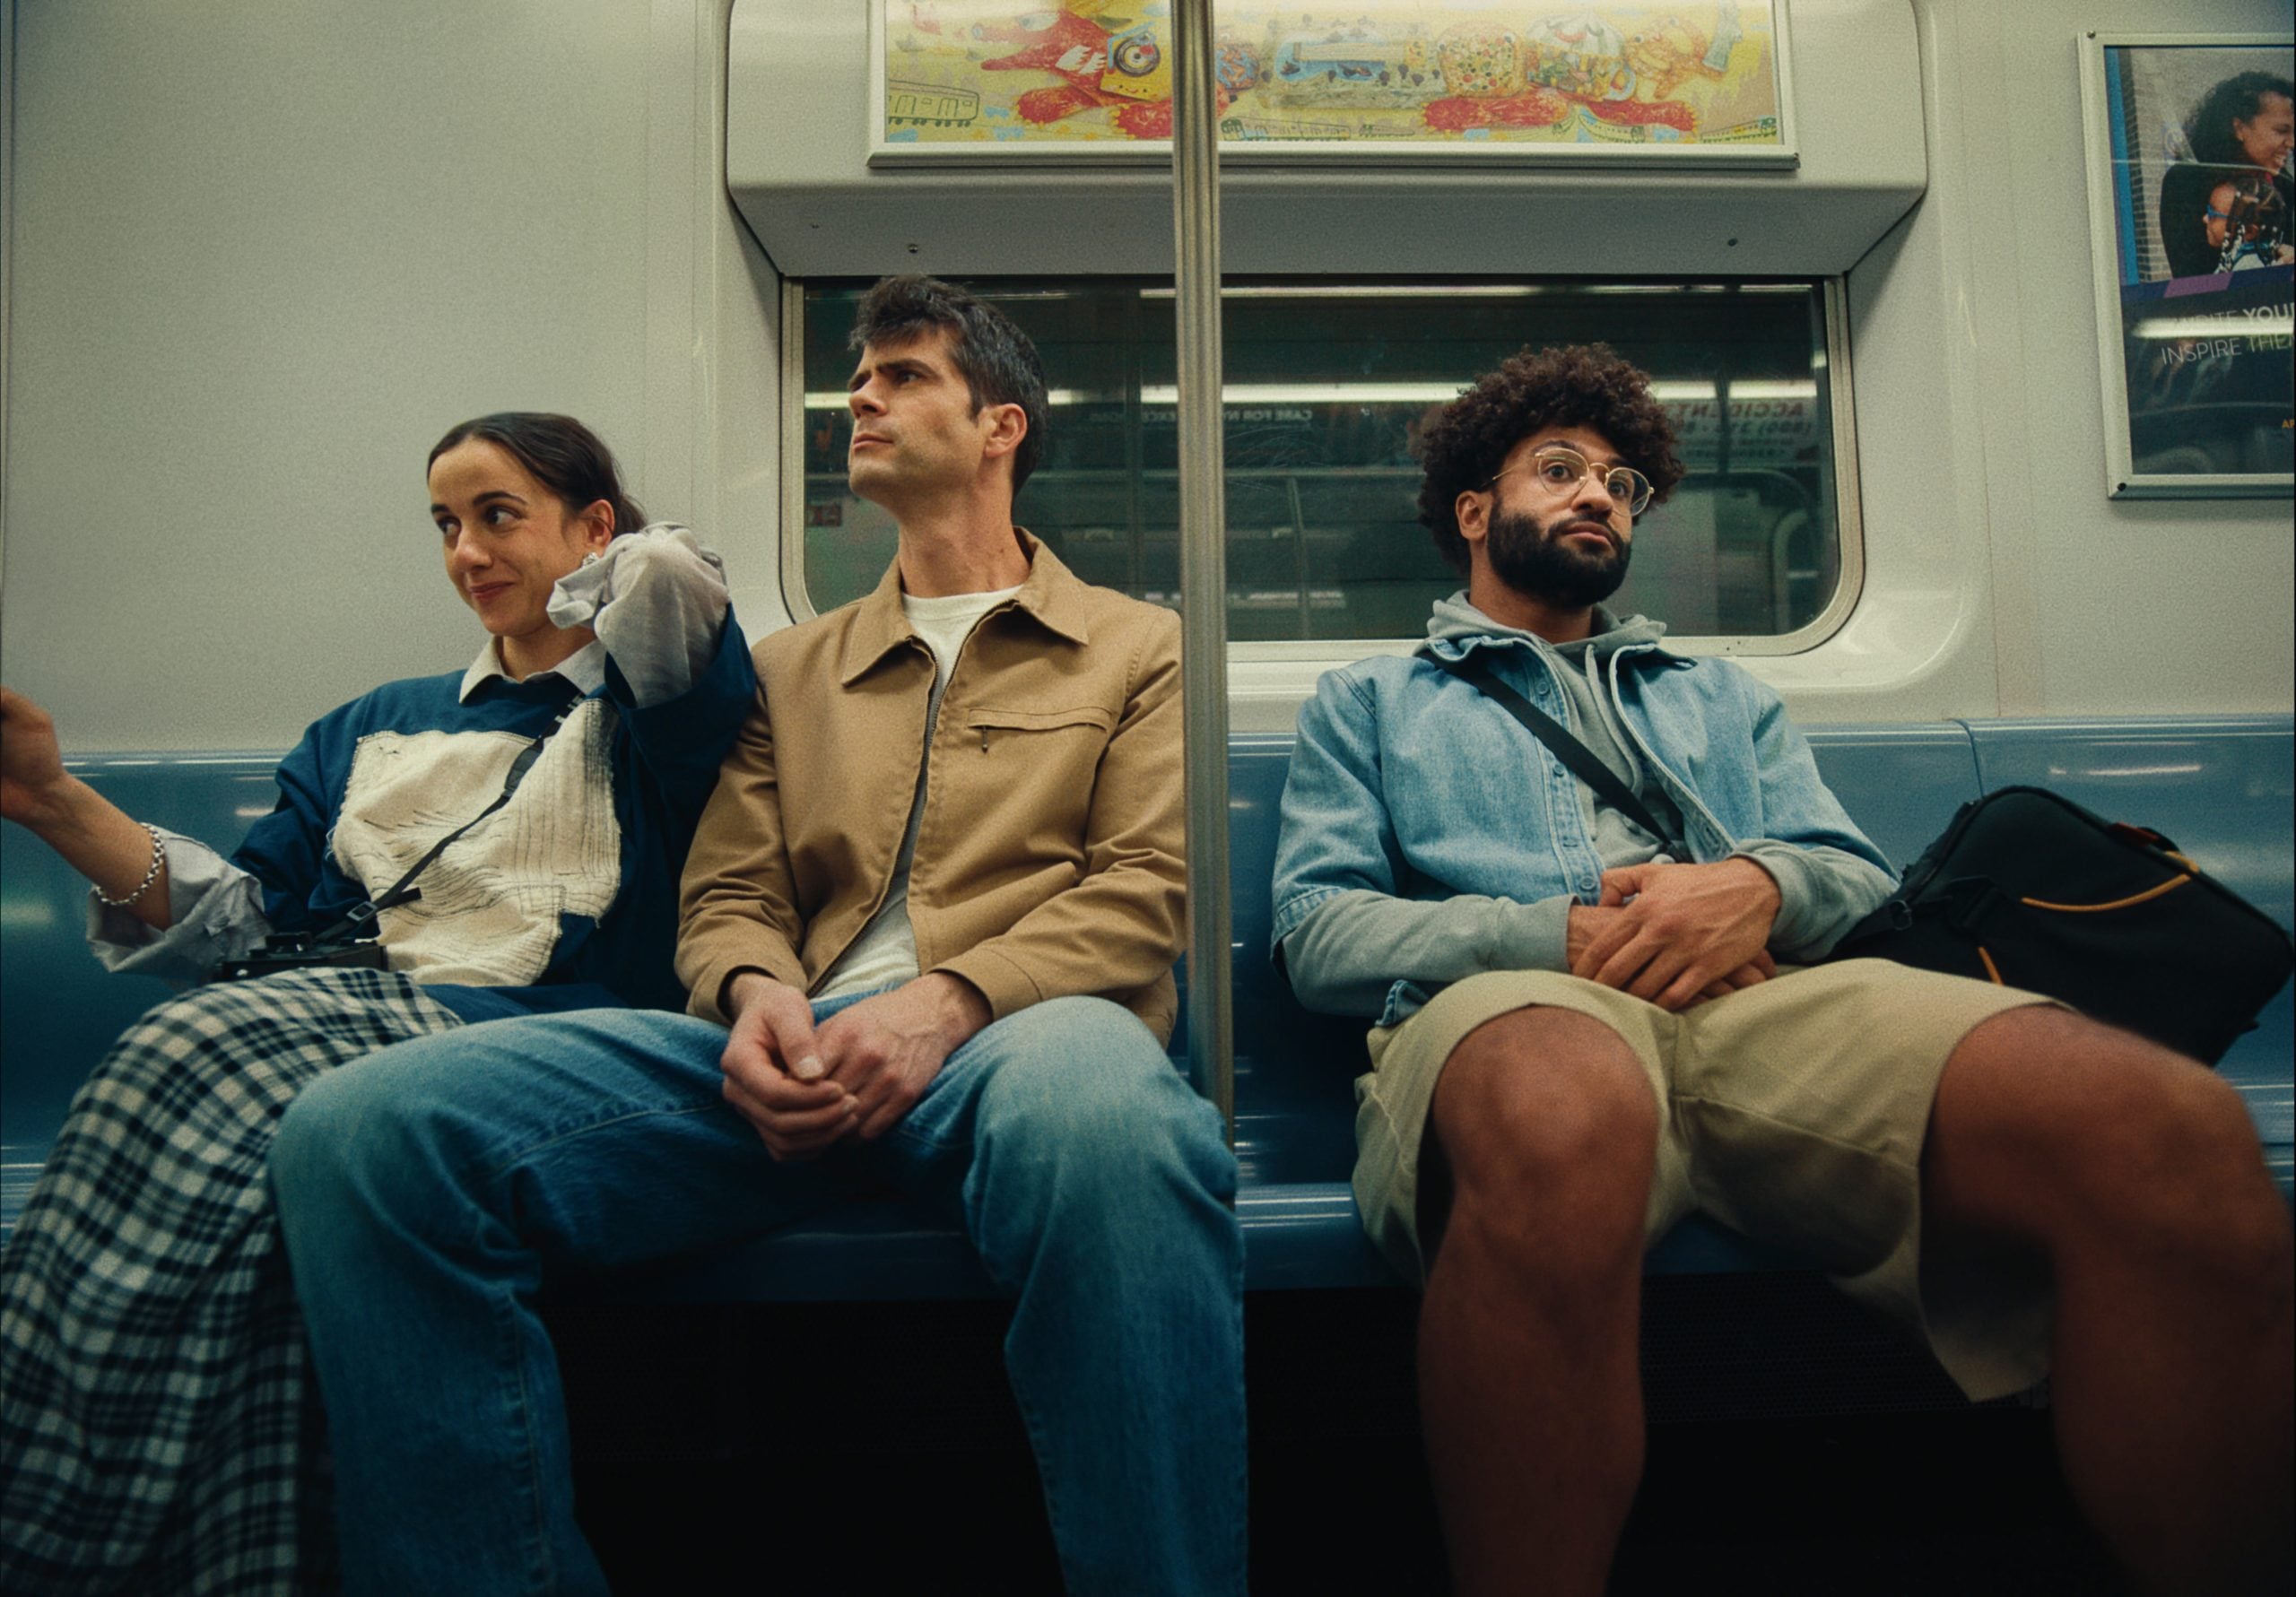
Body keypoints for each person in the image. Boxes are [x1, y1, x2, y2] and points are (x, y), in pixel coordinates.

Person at [266, 275, 1245, 1596]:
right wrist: (754, 998)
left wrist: (945, 1003)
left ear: (1001, 424)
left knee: (1115, 1119)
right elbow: (729, 891)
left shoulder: (1140, 649)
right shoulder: (794, 668)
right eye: (861, 379)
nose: (864, 397)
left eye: (902, 375)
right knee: (366, 1132)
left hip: (1023, 1044)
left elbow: (1144, 886)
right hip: (786, 1052)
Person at [1271, 343, 2295, 1596]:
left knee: (2167, 1124)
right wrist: (1558, 935)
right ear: (1475, 512)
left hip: (1770, 1004)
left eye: (1622, 482)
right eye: (1559, 470)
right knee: (1558, 1105)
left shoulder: (1721, 695)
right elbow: (1322, 932)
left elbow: (1850, 872)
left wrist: (1754, 886)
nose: (1600, 495)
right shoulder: (1372, 698)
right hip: (1518, 1006)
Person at [0, 412, 755, 1594]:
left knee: (195, 1048)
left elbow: (665, 588)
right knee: (246, 1187)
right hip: (325, 1020)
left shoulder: (661, 706)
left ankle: (47, 1523)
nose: (468, 552)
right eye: (447, 526)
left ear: (593, 526)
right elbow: (245, 928)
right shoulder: (366, 724)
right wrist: (51, 800)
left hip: (538, 1044)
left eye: (499, 515)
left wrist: (597, 580)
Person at [2158, 70, 2293, 277]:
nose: (2292, 143)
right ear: (2239, 128)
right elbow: (2188, 279)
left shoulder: (2284, 183)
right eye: (2281, 131)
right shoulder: (2186, 182)